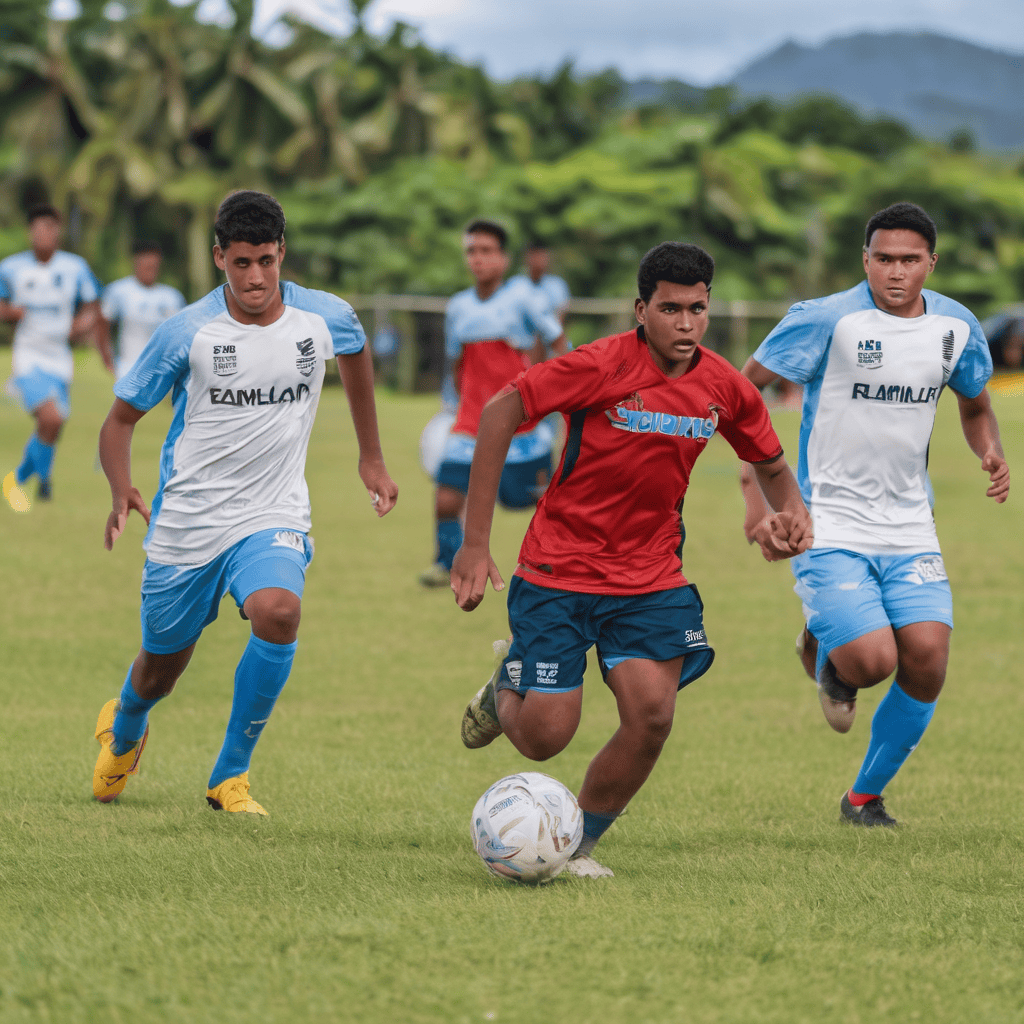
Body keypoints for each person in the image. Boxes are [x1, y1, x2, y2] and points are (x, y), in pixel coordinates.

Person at [452, 242, 812, 877]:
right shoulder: (599, 365)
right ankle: (508, 680)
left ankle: (576, 846)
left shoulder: (723, 385)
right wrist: (475, 543)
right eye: (670, 309)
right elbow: (501, 409)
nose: (685, 324)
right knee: (544, 738)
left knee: (652, 716)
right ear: (641, 310)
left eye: (697, 309)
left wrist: (792, 514)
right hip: (560, 569)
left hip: (650, 576)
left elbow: (771, 462)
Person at [91, 190, 398, 814]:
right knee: (159, 670)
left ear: (282, 251)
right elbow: (118, 422)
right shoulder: (187, 332)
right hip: (188, 522)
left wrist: (371, 455)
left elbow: (356, 354)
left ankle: (230, 776)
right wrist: (121, 488)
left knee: (279, 612)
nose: (256, 277)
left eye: (266, 260)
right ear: (219, 259)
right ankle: (124, 727)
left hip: (272, 511)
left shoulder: (326, 317)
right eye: (241, 263)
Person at [739, 201, 1009, 828]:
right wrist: (758, 502)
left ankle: (863, 798)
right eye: (883, 259)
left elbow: (975, 405)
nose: (896, 272)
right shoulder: (826, 319)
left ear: (931, 263)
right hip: (825, 519)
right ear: (865, 260)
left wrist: (990, 450)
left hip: (910, 523)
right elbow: (740, 396)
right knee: (871, 661)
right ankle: (827, 646)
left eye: (909, 260)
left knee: (928, 659)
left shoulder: (956, 326)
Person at [419, 219, 567, 588]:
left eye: (486, 251)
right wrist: (452, 405)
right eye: (472, 251)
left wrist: (563, 392)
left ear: (503, 259)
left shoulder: (523, 299)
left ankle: (562, 565)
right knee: (447, 498)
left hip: (521, 427)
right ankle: (446, 564)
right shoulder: (458, 306)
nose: (478, 258)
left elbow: (557, 341)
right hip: (470, 423)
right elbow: (457, 363)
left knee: (538, 501)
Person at [1, 203, 101, 511]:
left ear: (57, 232)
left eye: (50, 227)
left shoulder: (75, 267)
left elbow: (93, 305)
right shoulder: (11, 267)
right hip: (29, 355)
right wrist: (11, 312)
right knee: (51, 418)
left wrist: (82, 325)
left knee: (54, 426)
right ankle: (34, 480)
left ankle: (25, 478)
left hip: (60, 357)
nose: (44, 233)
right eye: (38, 228)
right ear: (30, 232)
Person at [96, 241, 186, 380]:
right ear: (136, 263)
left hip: (162, 370)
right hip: (129, 366)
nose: (150, 270)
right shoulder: (119, 291)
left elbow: (182, 333)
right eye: (147, 266)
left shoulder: (172, 297)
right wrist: (107, 356)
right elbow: (103, 322)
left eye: (154, 267)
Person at [510, 241, 571, 362]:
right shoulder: (515, 285)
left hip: (549, 343)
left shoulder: (557, 285)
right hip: (521, 344)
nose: (539, 260)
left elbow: (559, 321)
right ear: (527, 257)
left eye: (542, 255)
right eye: (535, 255)